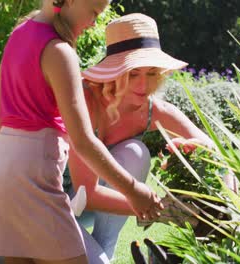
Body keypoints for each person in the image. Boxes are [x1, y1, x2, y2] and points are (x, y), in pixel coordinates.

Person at [0, 1, 163, 264]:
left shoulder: (19, 34)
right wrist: (133, 189)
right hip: (34, 175)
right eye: (93, 13)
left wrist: (12, 165)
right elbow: (82, 140)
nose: (93, 23)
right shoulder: (59, 52)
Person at [64, 13, 215, 260]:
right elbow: (86, 193)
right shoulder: (85, 100)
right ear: (114, 71)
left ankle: (105, 250)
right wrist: (167, 210)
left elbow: (212, 148)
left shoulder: (151, 111)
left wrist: (191, 147)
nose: (143, 85)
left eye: (151, 73)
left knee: (136, 152)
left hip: (85, 206)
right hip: (50, 204)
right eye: (133, 73)